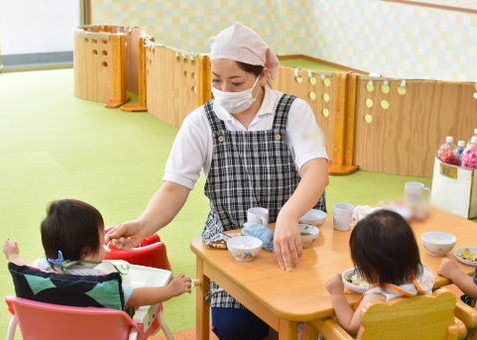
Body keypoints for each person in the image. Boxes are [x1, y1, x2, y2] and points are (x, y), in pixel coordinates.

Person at [106, 22, 328, 340]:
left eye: (236, 82)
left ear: (262, 75)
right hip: (233, 245)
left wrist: (289, 216)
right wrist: (143, 226)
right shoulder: (201, 122)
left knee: (307, 320)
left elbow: (317, 171)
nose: (224, 89)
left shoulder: (295, 111)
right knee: (235, 330)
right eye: (217, 79)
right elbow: (174, 187)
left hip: (293, 241)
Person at [3, 199, 192, 309]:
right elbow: (134, 297)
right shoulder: (100, 282)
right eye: (101, 238)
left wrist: (13, 256)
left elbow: (21, 268)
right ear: (86, 252)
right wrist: (169, 290)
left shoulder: (40, 270)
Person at [325, 210, 435, 335]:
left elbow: (351, 325)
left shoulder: (376, 299)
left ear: (374, 268)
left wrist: (337, 294)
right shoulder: (422, 277)